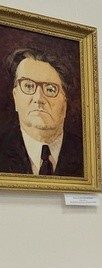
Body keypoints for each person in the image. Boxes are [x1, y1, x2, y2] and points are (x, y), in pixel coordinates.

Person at [1, 47, 83, 176]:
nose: (38, 98)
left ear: (65, 102)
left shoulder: (85, 153)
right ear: (15, 96)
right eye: (28, 86)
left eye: (50, 89)